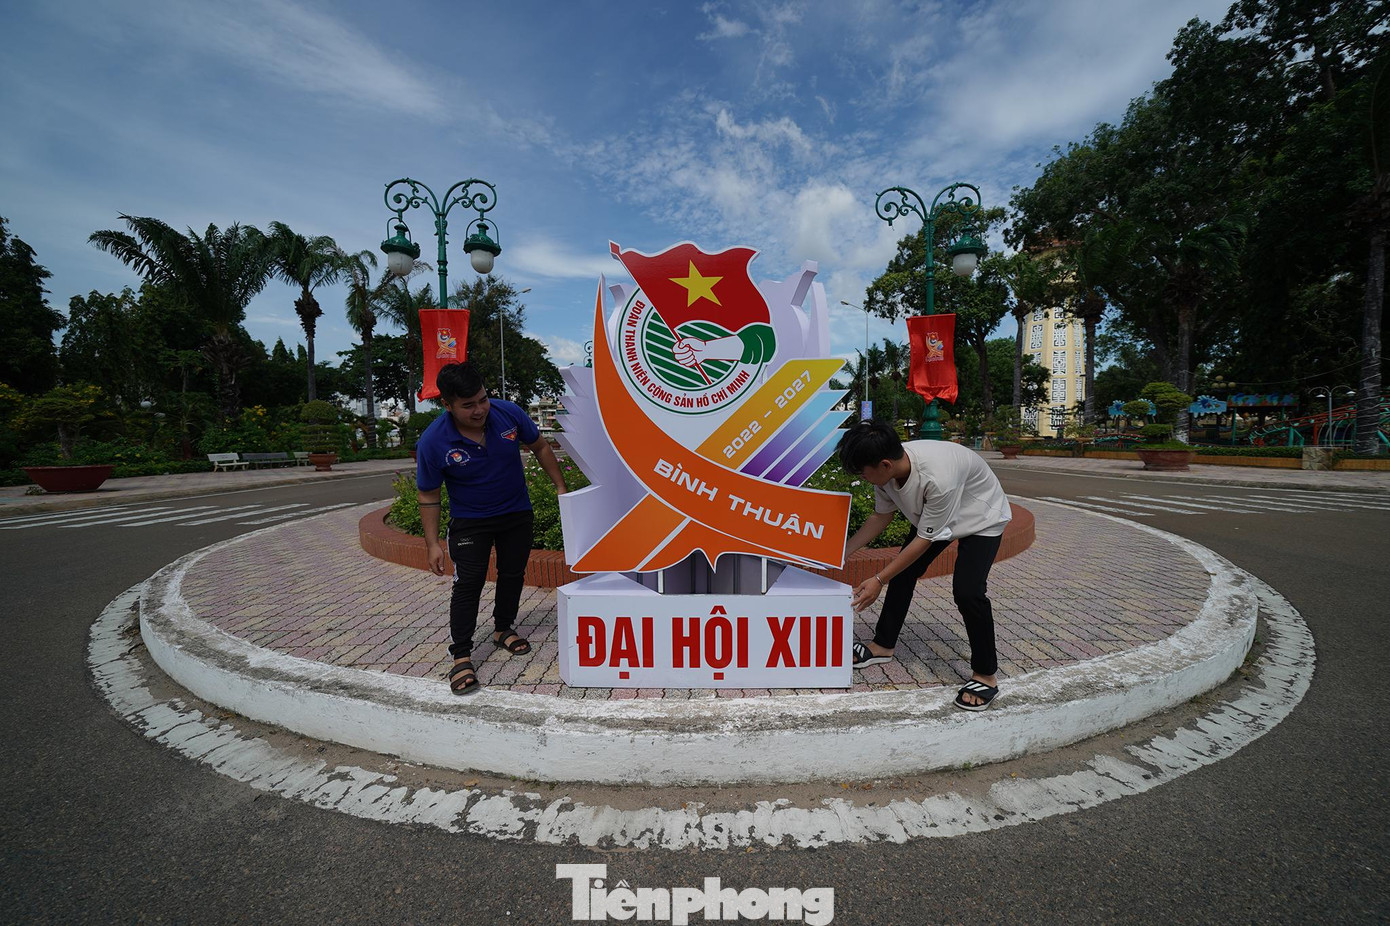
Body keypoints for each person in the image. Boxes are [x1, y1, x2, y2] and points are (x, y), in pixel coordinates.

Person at [416, 361, 568, 694]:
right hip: (470, 521)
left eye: (483, 399)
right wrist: (432, 543)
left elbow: (540, 445)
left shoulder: (508, 413)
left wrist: (560, 487)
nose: (479, 410)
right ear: (448, 405)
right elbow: (428, 493)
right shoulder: (434, 441)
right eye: (468, 405)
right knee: (468, 584)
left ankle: (502, 629)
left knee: (512, 574)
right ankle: (461, 655)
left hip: (516, 512)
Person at [838, 421, 1012, 711]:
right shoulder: (886, 472)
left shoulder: (937, 477)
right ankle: (882, 645)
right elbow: (881, 517)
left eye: (862, 473)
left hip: (981, 517)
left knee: (968, 592)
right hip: (936, 517)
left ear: (884, 464)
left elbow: (924, 540)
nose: (862, 478)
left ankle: (985, 674)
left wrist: (878, 580)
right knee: (903, 573)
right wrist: (842, 553)